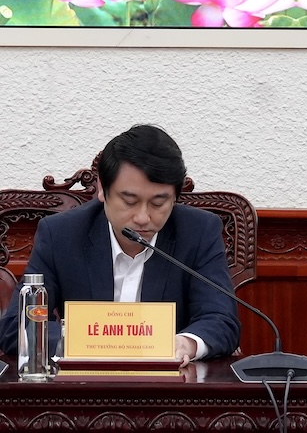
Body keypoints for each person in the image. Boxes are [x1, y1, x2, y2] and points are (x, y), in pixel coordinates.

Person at [0, 124, 241, 366]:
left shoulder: (198, 232)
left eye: (158, 203)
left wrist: (186, 343)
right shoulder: (61, 234)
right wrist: (89, 341)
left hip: (170, 382)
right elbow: (17, 325)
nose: (143, 217)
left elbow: (221, 319)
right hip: (84, 383)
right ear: (102, 189)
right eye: (129, 201)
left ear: (175, 197)